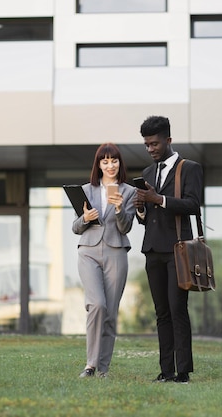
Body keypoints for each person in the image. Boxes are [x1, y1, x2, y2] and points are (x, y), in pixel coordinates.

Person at [134, 115, 203, 384]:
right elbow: (147, 215)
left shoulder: (189, 168)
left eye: (154, 144)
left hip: (178, 249)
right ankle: (166, 371)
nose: (150, 149)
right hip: (152, 249)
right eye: (147, 145)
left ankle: (183, 372)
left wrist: (157, 198)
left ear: (168, 140)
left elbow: (193, 205)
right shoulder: (148, 173)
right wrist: (141, 207)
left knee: (177, 309)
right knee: (161, 312)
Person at [72, 142, 137, 378]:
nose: (110, 166)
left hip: (116, 251)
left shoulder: (129, 192)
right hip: (88, 251)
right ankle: (90, 364)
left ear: (120, 163)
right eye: (105, 161)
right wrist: (85, 218)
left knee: (110, 312)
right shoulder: (86, 190)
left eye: (114, 160)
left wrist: (120, 209)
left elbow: (126, 226)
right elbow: (76, 228)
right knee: (97, 305)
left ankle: (103, 369)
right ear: (98, 165)